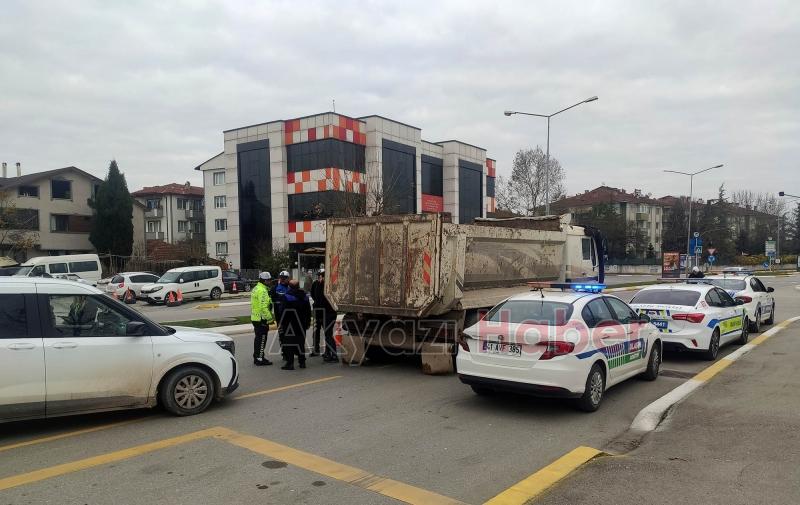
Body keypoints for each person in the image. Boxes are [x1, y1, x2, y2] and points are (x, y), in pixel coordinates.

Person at [278, 279, 312, 370]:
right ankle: (302, 362)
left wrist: (281, 323)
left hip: (290, 325)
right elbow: (308, 311)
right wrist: (308, 322)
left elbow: (282, 312)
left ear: (289, 287)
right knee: (300, 343)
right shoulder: (304, 296)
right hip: (302, 324)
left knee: (289, 344)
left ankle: (290, 363)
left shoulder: (287, 297)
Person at [310, 269, 338, 362]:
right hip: (319, 312)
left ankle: (334, 355)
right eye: (319, 275)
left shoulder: (328, 286)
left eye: (321, 275)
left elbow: (326, 299)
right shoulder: (315, 284)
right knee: (317, 331)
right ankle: (323, 351)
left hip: (329, 313)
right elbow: (314, 295)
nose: (319, 277)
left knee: (328, 334)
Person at [250, 272, 275, 366]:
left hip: (255, 318)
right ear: (264, 280)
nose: (270, 282)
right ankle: (260, 359)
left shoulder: (256, 288)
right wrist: (270, 318)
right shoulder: (263, 291)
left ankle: (256, 357)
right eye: (269, 280)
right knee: (262, 339)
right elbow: (263, 307)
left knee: (258, 339)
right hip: (262, 319)